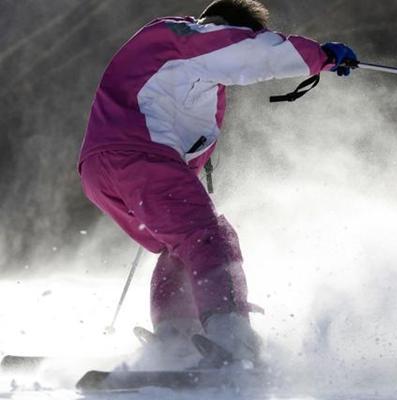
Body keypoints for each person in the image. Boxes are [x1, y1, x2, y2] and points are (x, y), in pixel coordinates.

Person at [77, 0, 357, 364]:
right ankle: (233, 337)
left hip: (103, 170)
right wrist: (320, 56)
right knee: (210, 238)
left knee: (180, 247)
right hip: (139, 157)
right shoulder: (185, 38)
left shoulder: (186, 70)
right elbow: (248, 52)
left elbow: (189, 140)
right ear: (228, 27)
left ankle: (174, 337)